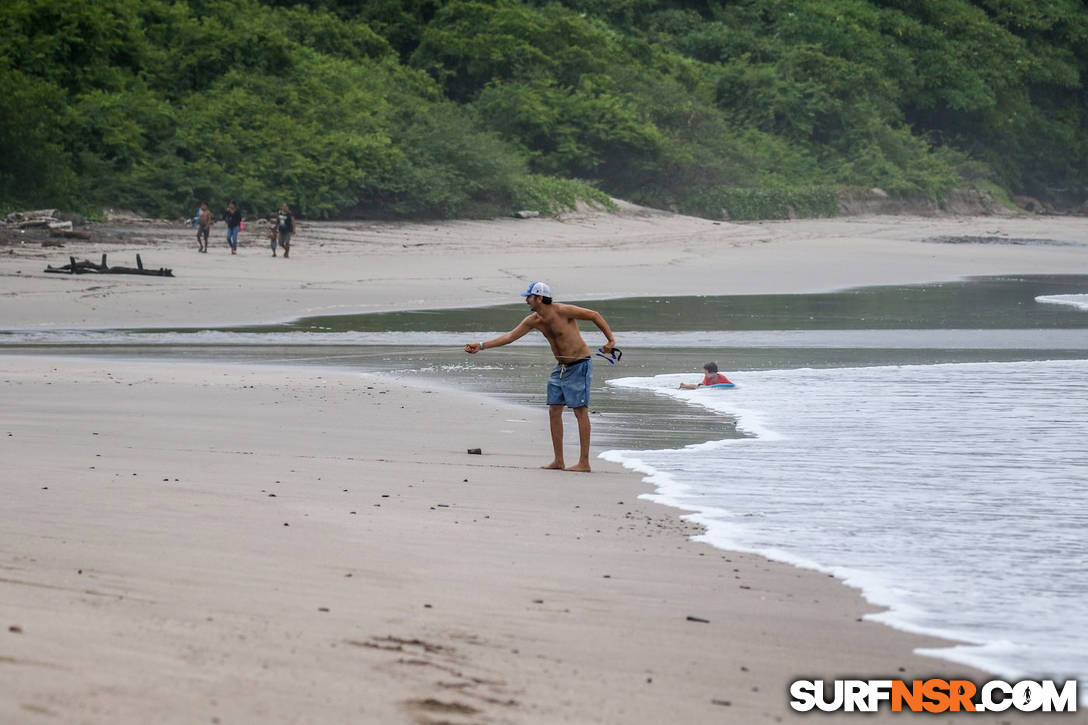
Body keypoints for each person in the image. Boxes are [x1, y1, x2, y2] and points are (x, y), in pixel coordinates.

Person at [464, 281, 616, 473]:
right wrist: (481, 345)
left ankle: (584, 462)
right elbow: (510, 337)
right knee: (554, 410)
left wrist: (610, 340)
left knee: (580, 411)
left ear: (540, 298)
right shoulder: (533, 320)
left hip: (579, 365)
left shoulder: (563, 311)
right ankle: (558, 460)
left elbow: (594, 315)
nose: (527, 300)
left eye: (529, 297)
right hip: (560, 368)